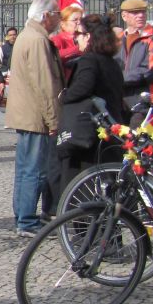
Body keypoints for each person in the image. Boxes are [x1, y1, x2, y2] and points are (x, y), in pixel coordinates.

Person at [7, 0, 63, 236]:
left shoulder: (26, 35)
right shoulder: (38, 40)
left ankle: (22, 214)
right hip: (34, 114)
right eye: (57, 14)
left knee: (24, 168)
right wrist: (52, 120)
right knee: (34, 169)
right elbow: (45, 85)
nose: (59, 19)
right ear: (46, 16)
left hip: (25, 112)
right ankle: (26, 220)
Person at [54, 15, 125, 196]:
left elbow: (83, 87)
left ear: (89, 37)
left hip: (89, 132)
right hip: (111, 126)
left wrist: (64, 96)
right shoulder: (111, 62)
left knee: (82, 181)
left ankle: (82, 221)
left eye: (80, 33)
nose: (76, 37)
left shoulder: (89, 59)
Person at [118, 0, 153, 110]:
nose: (141, 15)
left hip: (144, 101)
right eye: (135, 13)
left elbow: (151, 70)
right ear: (124, 16)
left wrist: (117, 78)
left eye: (143, 12)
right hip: (120, 100)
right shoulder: (118, 38)